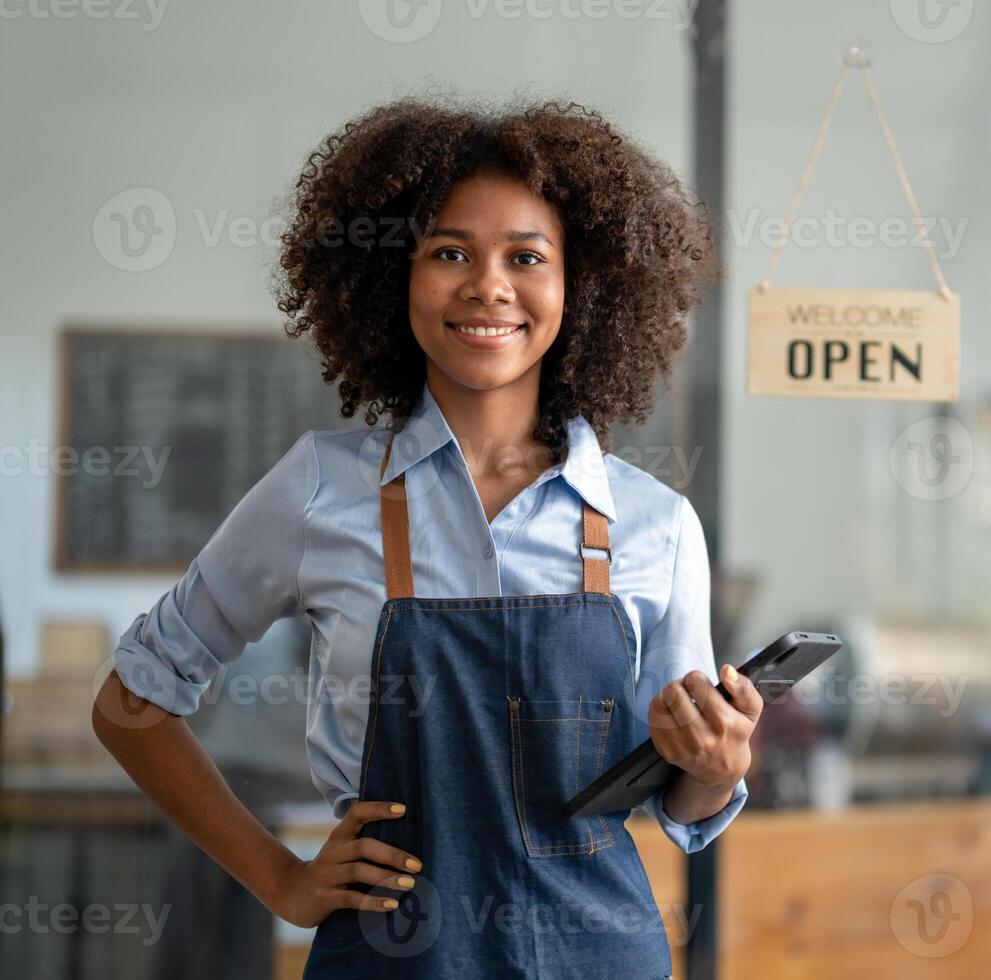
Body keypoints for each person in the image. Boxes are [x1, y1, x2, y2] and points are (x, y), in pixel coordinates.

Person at [91, 95, 762, 978]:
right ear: (392, 279)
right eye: (450, 252)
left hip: (598, 955)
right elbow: (131, 703)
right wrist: (280, 880)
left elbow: (681, 800)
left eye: (527, 257)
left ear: (581, 287)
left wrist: (718, 763)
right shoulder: (318, 489)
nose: (488, 285)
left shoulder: (656, 525)